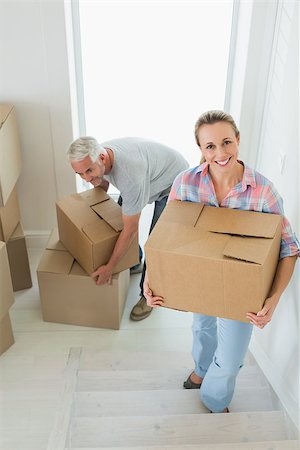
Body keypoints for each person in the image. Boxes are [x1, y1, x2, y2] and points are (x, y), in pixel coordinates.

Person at [143, 110, 299, 413]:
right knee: (202, 327)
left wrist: (274, 298)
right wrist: (151, 281)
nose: (220, 153)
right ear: (201, 150)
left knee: (230, 359)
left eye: (227, 142)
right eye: (210, 146)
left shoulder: (263, 192)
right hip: (199, 279)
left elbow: (289, 249)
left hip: (242, 289)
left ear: (238, 140)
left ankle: (214, 399)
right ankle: (201, 370)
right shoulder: (186, 183)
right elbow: (165, 239)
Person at [67, 136, 188, 321]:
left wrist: (110, 267)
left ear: (102, 158)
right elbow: (103, 183)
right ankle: (135, 261)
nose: (86, 178)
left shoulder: (129, 177)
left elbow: (130, 230)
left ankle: (148, 295)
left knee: (155, 244)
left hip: (174, 182)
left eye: (88, 171)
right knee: (118, 217)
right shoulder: (99, 156)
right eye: (80, 174)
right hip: (151, 170)